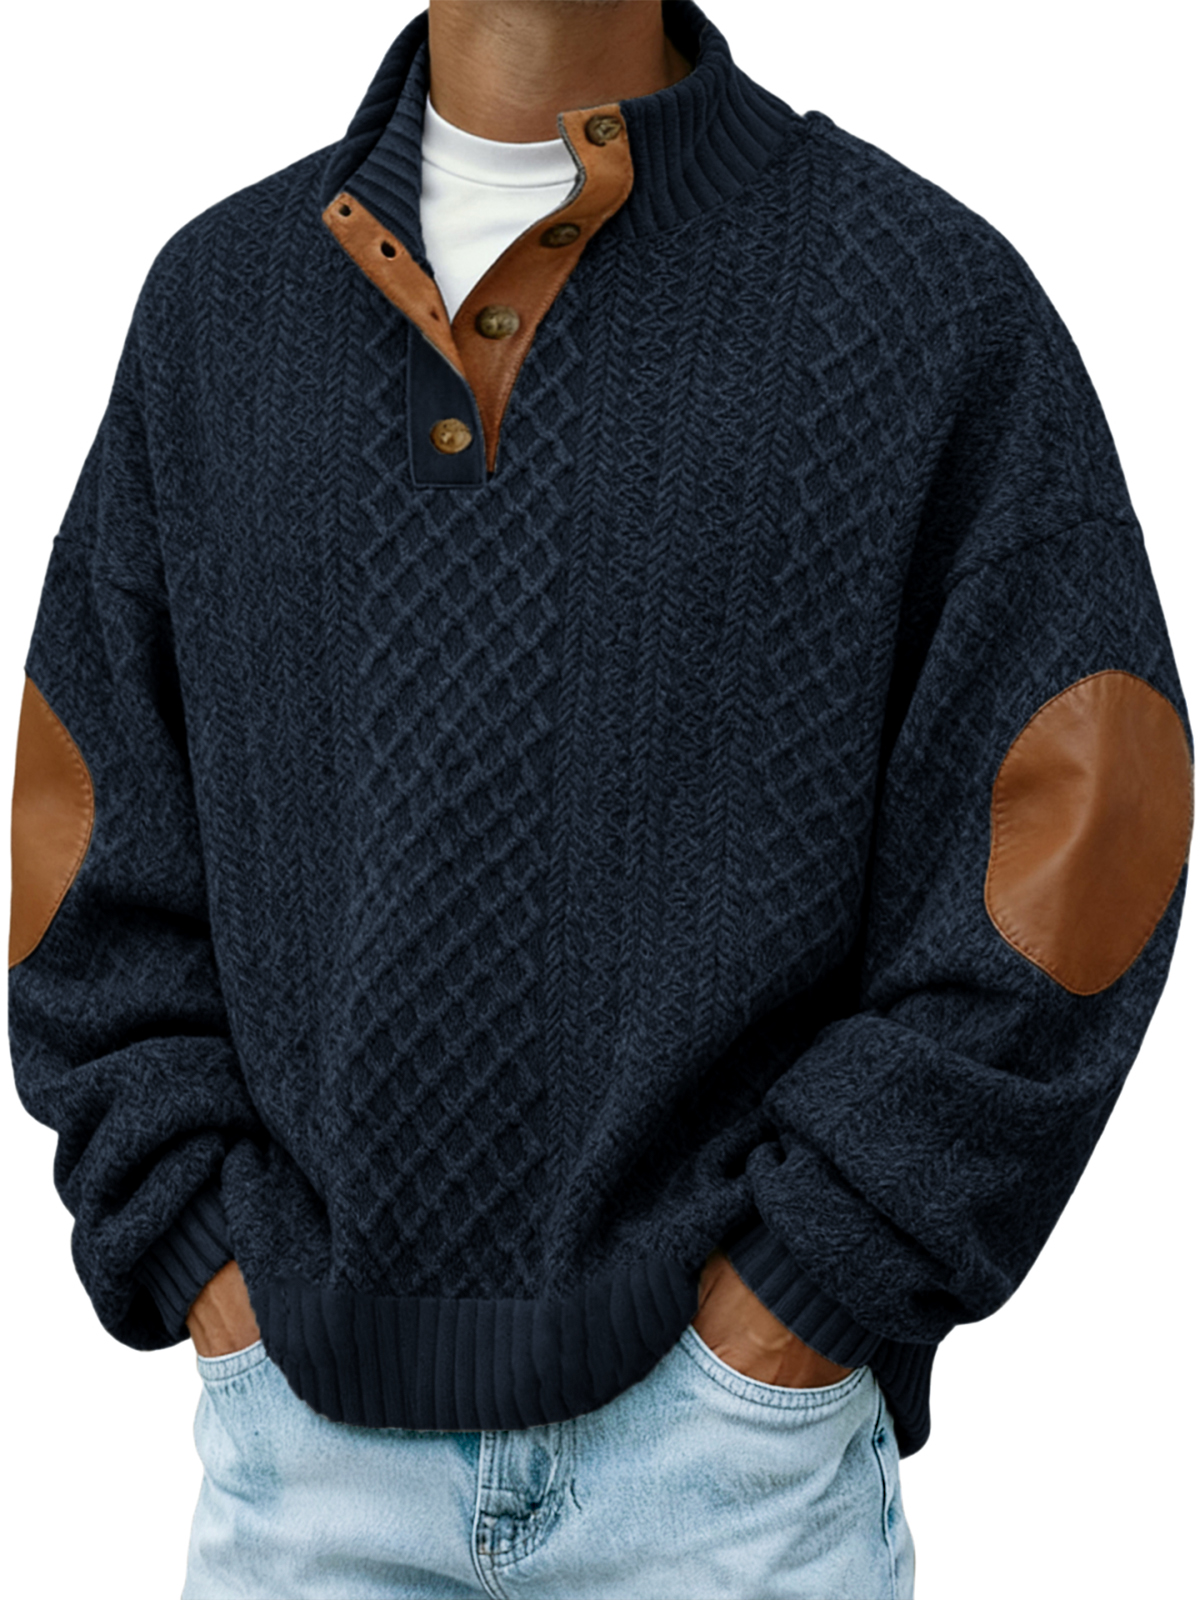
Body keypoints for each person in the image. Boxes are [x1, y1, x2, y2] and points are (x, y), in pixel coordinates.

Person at [6, 0, 1193, 1595]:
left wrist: (812, 1289)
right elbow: (82, 833)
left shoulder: (916, 295)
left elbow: (1093, 818)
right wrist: (197, 1248)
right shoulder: (219, 309)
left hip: (728, 1487)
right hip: (303, 1479)